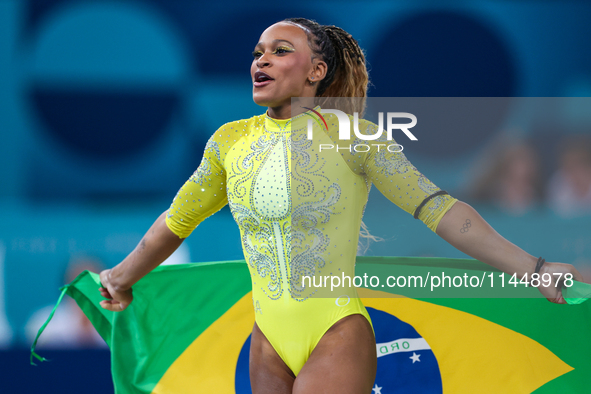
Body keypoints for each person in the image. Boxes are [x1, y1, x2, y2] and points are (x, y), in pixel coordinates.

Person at [97, 18, 584, 393]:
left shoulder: (354, 137)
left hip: (335, 330)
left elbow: (441, 211)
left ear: (316, 71)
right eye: (258, 52)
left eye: (280, 51)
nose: (261, 61)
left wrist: (534, 268)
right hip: (265, 340)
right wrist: (121, 277)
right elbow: (176, 222)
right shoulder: (229, 142)